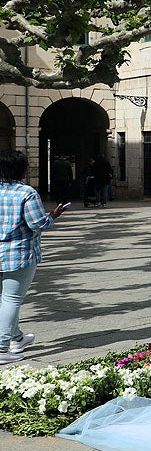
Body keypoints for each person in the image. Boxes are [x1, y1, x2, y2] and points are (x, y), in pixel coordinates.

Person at [0, 150, 68, 364]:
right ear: (21, 169)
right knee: (11, 300)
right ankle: (2, 348)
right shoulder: (26, 193)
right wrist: (53, 216)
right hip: (18, 254)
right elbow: (37, 224)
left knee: (4, 300)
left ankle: (16, 338)